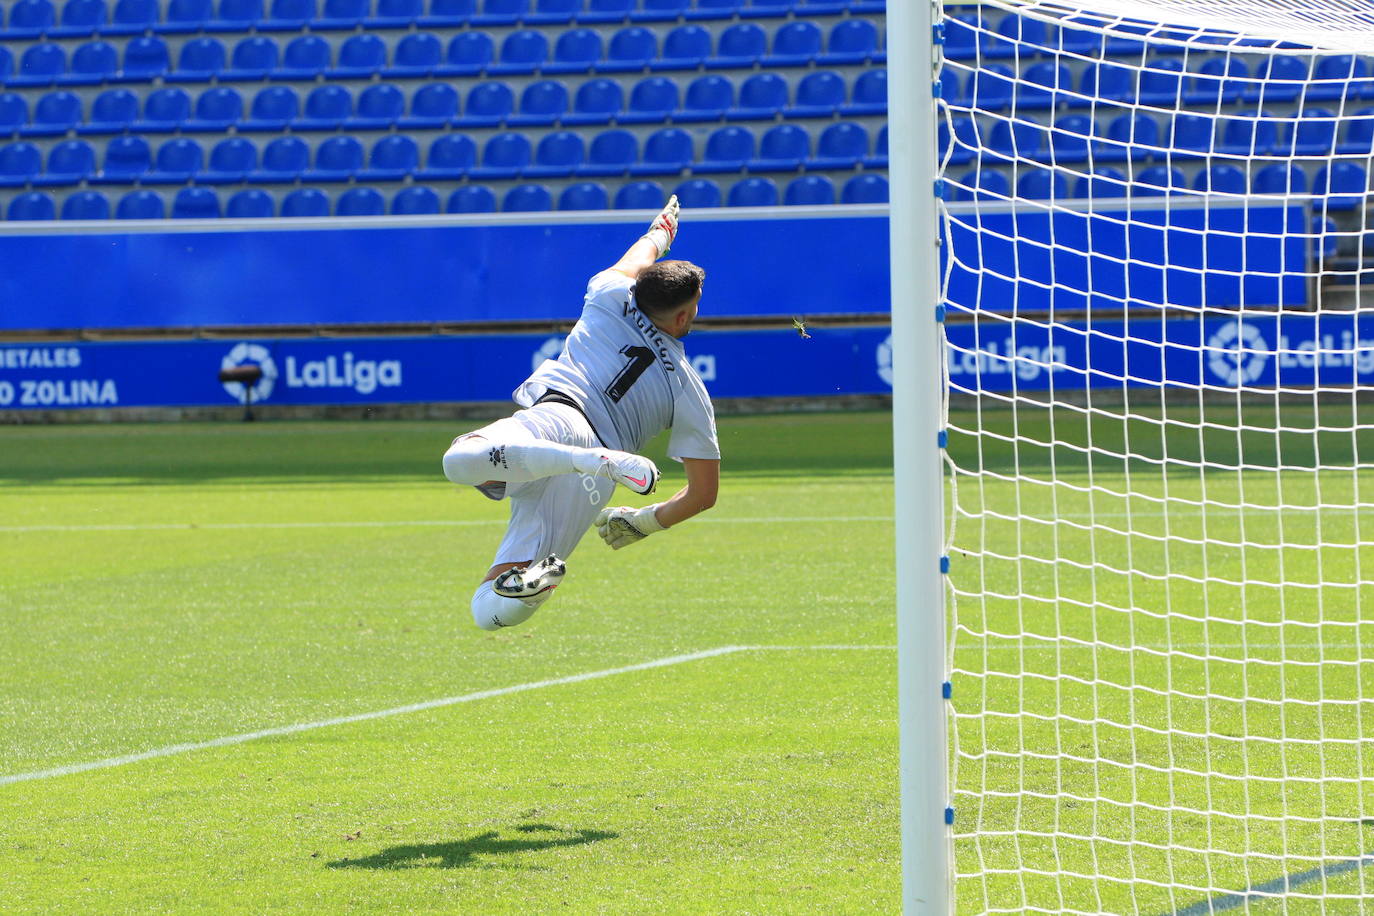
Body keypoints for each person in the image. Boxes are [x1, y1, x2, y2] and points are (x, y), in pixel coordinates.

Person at [441, 196, 720, 630]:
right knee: (488, 615)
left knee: (457, 461)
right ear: (683, 315)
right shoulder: (688, 386)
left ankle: (584, 462)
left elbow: (640, 255)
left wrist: (661, 231)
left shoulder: (609, 292)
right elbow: (704, 494)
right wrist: (643, 522)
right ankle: (589, 468)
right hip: (596, 480)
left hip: (554, 421)